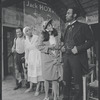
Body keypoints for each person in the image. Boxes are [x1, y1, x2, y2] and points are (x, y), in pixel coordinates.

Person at [61, 7, 94, 100]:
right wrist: (63, 47)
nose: (66, 15)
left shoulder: (83, 26)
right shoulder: (67, 27)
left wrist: (78, 49)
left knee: (77, 81)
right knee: (65, 80)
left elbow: (91, 41)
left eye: (68, 13)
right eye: (66, 13)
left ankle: (77, 98)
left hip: (77, 58)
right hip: (66, 57)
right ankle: (66, 97)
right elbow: (66, 41)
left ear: (74, 15)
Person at [38, 19, 61, 100]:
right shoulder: (42, 36)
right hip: (46, 60)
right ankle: (46, 96)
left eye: (50, 25)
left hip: (55, 59)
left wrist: (58, 50)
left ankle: (55, 97)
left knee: (55, 79)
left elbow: (59, 47)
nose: (50, 26)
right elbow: (39, 47)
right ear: (45, 28)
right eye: (48, 25)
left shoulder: (56, 36)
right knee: (46, 79)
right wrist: (49, 47)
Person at [23, 26, 43, 96]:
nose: (29, 31)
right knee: (31, 72)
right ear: (25, 33)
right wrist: (26, 61)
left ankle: (37, 89)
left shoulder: (36, 37)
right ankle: (31, 87)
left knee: (38, 72)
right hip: (30, 57)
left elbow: (41, 46)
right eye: (27, 31)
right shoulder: (25, 41)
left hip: (37, 56)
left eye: (29, 30)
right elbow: (26, 51)